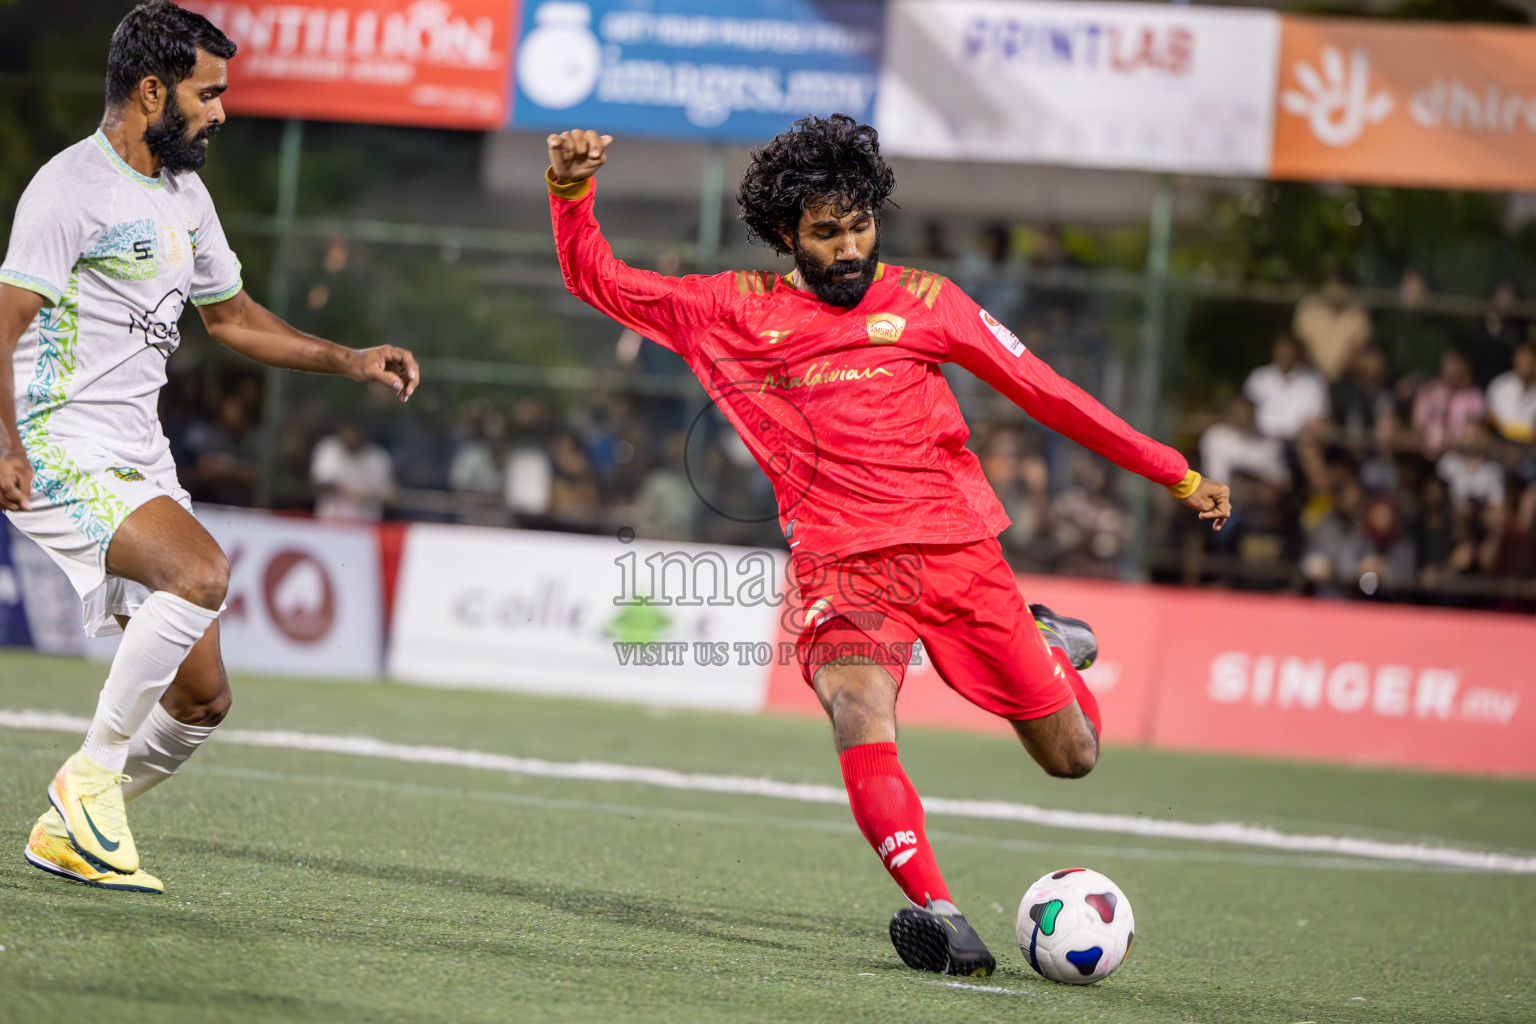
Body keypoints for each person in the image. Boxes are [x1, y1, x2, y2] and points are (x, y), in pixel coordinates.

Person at [544, 117, 1230, 976]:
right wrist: (572, 191)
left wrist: (1174, 472)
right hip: (840, 565)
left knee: (1074, 757)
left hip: (958, 553)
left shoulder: (927, 300)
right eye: (826, 233)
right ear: (786, 235)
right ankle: (939, 913)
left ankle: (1046, 643)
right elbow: (594, 278)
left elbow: (1048, 392)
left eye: (861, 225)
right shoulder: (728, 309)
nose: (850, 248)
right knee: (858, 710)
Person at [0, 1, 419, 893]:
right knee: (199, 575)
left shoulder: (183, 193)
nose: (222, 112)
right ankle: (88, 780)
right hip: (55, 441)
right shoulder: (69, 188)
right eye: (209, 93)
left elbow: (229, 317)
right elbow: (0, 328)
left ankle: (68, 829)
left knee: (202, 701)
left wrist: (347, 359)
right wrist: (6, 445)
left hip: (137, 455)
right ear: (152, 91)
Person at [311, 418, 399, 522]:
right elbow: (318, 481)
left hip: (366, 524)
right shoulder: (329, 448)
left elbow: (393, 496)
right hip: (331, 521)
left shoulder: (378, 457)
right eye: (347, 432)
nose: (350, 437)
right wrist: (345, 487)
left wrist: (370, 494)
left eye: (354, 433)